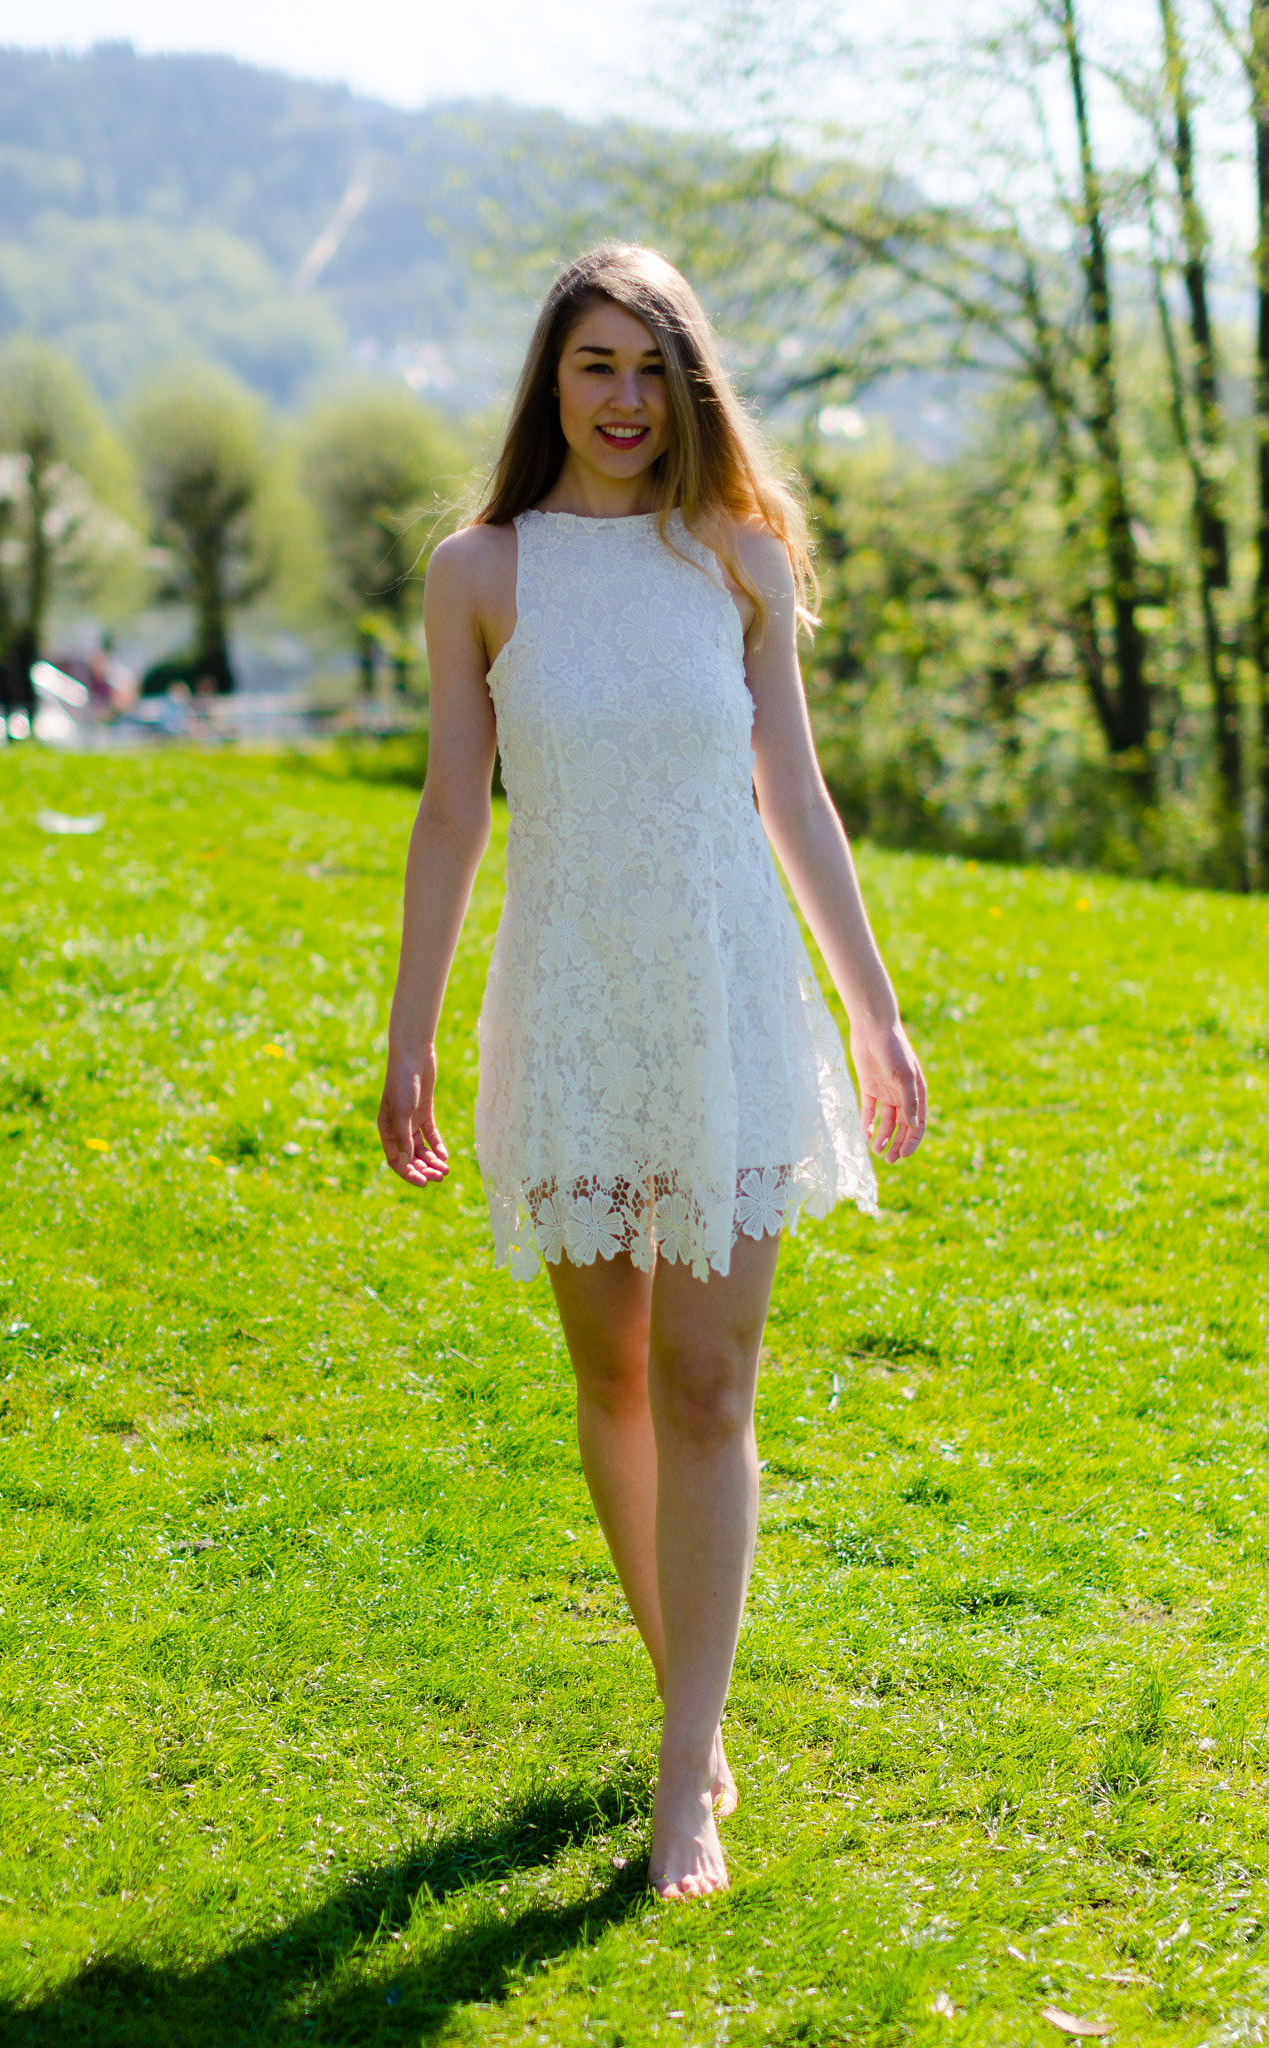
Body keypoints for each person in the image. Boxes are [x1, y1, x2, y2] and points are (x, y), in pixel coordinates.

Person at [377, 242, 927, 1900]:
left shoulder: (738, 554)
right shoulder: (482, 570)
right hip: (573, 1005)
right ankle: (688, 1700)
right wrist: (404, 1037)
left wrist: (877, 1015)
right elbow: (452, 813)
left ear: (691, 385)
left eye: (652, 366)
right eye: (596, 365)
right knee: (611, 1380)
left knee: (707, 1382)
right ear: (552, 382)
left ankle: (684, 1783)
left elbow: (795, 797)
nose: (625, 398)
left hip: (727, 1000)